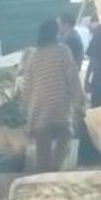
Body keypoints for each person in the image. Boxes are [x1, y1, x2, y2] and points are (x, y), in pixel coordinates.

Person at [22, 19, 83, 172]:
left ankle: (44, 178)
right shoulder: (62, 51)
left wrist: (26, 114)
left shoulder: (34, 56)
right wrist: (79, 103)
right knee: (65, 137)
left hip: (39, 110)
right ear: (55, 33)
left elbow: (27, 87)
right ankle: (55, 171)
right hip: (59, 108)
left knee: (43, 156)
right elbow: (73, 78)